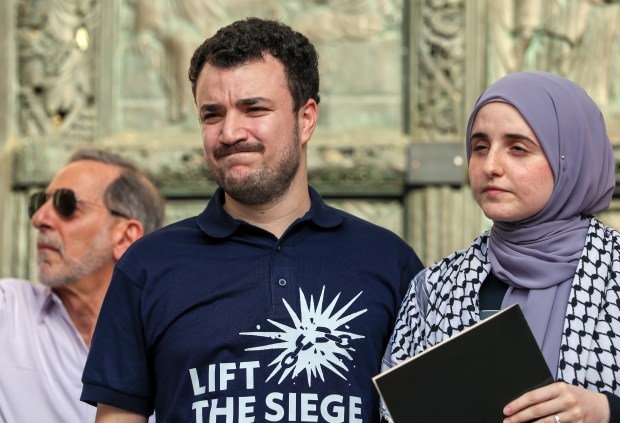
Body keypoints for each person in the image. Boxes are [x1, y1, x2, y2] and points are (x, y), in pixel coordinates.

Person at [80, 17, 424, 422]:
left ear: (306, 119)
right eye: (212, 115)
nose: (229, 132)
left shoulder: (387, 260)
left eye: (254, 108)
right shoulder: (148, 266)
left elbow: (434, 406)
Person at [381, 71, 620, 423]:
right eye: (480, 147)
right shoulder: (435, 287)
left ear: (570, 158)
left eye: (518, 149)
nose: (490, 166)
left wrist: (605, 412)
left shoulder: (613, 272)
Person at [0, 148, 165, 423]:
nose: (39, 219)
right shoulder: (9, 311)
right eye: (39, 202)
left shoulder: (179, 340)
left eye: (66, 204)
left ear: (125, 236)